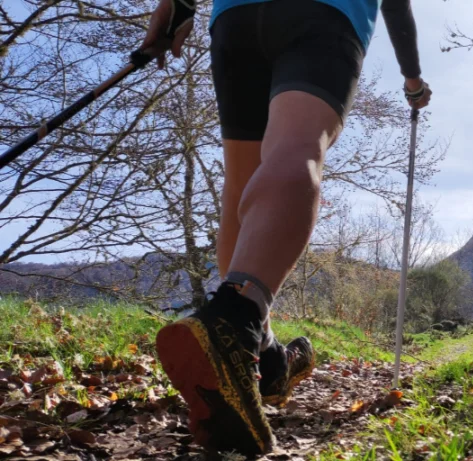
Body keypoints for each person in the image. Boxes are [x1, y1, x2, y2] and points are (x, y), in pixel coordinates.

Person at [141, 0, 431, 454]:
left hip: (236, 19)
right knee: (297, 147)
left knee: (242, 183)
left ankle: (263, 353)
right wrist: (412, 79)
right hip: (322, 14)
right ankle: (235, 322)